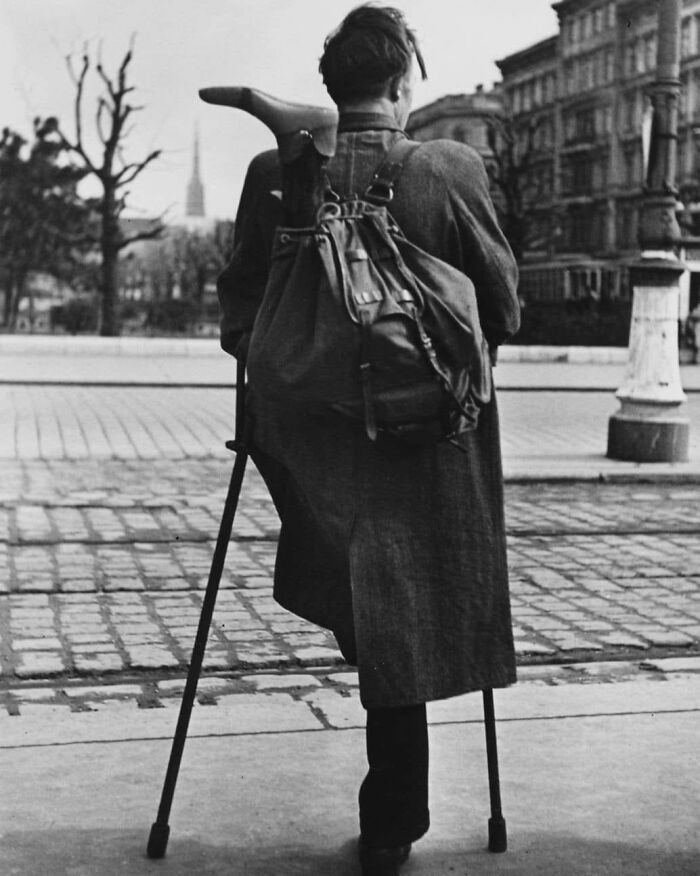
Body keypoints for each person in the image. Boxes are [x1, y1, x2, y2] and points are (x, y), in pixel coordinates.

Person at [217, 6, 521, 874]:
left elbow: (240, 316)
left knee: (367, 598)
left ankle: (392, 809)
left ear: (333, 85)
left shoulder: (271, 173)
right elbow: (502, 307)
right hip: (425, 439)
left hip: (311, 450)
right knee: (407, 598)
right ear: (401, 83)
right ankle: (393, 818)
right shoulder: (449, 168)